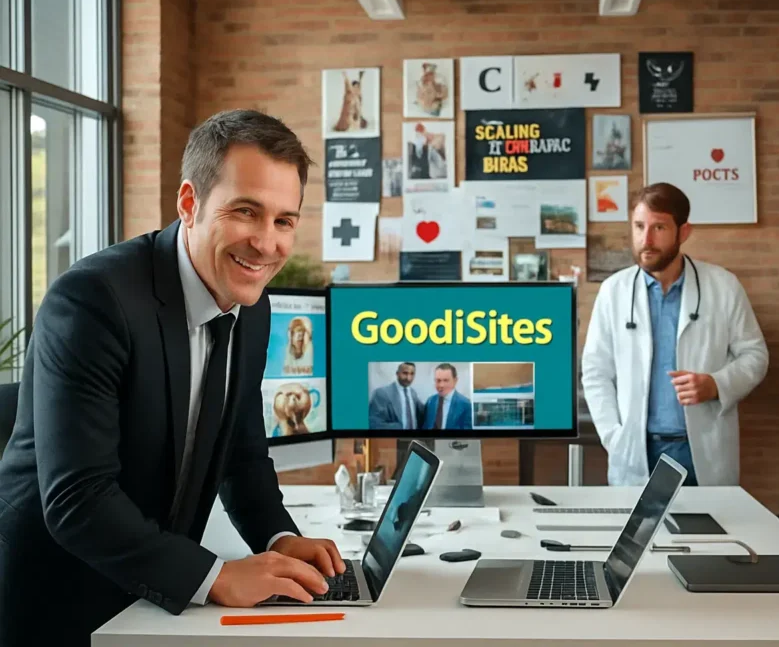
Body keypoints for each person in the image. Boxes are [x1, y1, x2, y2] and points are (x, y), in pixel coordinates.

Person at [0, 109, 346, 646]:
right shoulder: (95, 300)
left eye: (284, 220)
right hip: (57, 596)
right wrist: (217, 576)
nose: (266, 243)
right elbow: (78, 498)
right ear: (190, 203)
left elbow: (242, 452)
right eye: (245, 212)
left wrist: (278, 538)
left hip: (154, 596)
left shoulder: (251, 306)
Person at [581, 182, 768, 487]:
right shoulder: (613, 291)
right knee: (639, 536)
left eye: (659, 228)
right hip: (636, 450)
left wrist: (716, 385)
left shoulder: (723, 286)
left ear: (683, 232)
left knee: (704, 536)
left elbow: (755, 356)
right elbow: (595, 372)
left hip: (699, 451)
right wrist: (613, 436)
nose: (646, 239)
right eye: (639, 227)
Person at [368, 362, 425, 430]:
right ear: (397, 373)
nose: (408, 378)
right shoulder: (381, 393)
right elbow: (374, 423)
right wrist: (398, 427)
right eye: (405, 373)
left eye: (412, 374)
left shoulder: (413, 393)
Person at [423, 363, 473, 430]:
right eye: (438, 380)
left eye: (446, 380)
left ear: (455, 381)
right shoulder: (430, 401)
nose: (441, 385)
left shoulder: (465, 404)